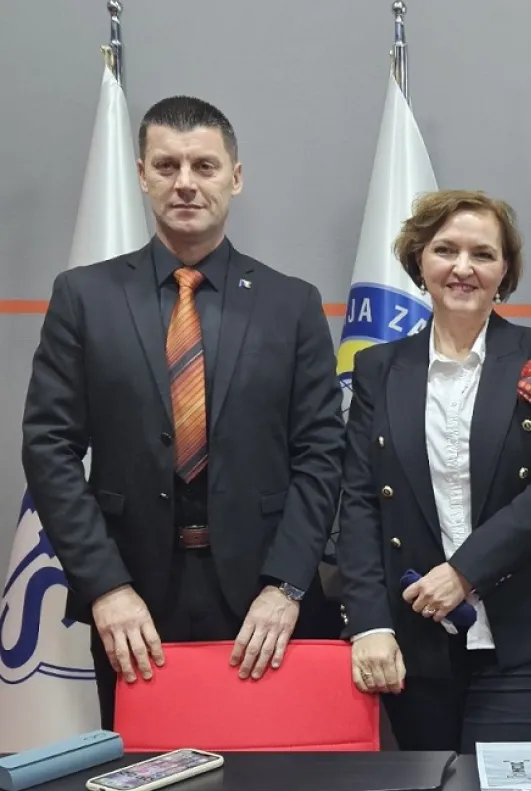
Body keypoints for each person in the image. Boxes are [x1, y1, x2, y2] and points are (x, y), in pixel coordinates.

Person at [21, 96, 345, 729]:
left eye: (204, 166)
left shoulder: (291, 303)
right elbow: (49, 448)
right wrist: (106, 587)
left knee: (272, 768)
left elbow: (321, 453)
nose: (186, 183)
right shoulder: (84, 296)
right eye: (167, 166)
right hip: (132, 601)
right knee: (146, 769)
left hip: (265, 602)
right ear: (142, 176)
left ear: (235, 177)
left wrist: (286, 586)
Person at [336, 189, 531, 753]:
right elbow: (358, 502)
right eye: (446, 250)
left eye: (482, 254)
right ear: (419, 260)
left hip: (527, 628)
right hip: (414, 634)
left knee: (499, 788)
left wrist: (463, 572)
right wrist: (369, 624)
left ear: (504, 271)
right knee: (433, 786)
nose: (463, 268)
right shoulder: (378, 368)